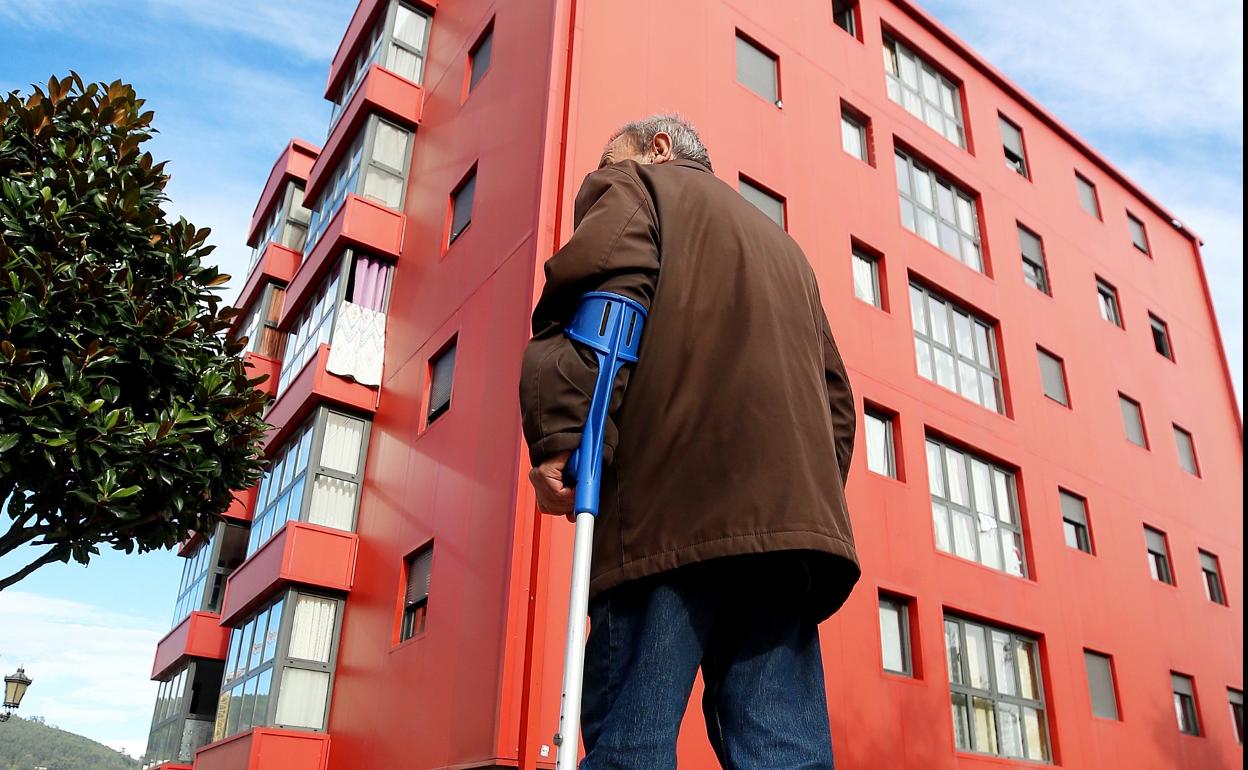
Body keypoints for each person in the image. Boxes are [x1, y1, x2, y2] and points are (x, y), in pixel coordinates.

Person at [519, 114, 859, 770]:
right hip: (783, 540)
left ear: (660, 148)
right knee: (783, 752)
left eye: (609, 158)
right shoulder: (787, 252)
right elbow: (837, 404)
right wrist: (791, 500)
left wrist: (564, 435)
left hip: (664, 519)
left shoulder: (643, 189)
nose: (602, 174)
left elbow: (602, 318)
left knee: (631, 745)